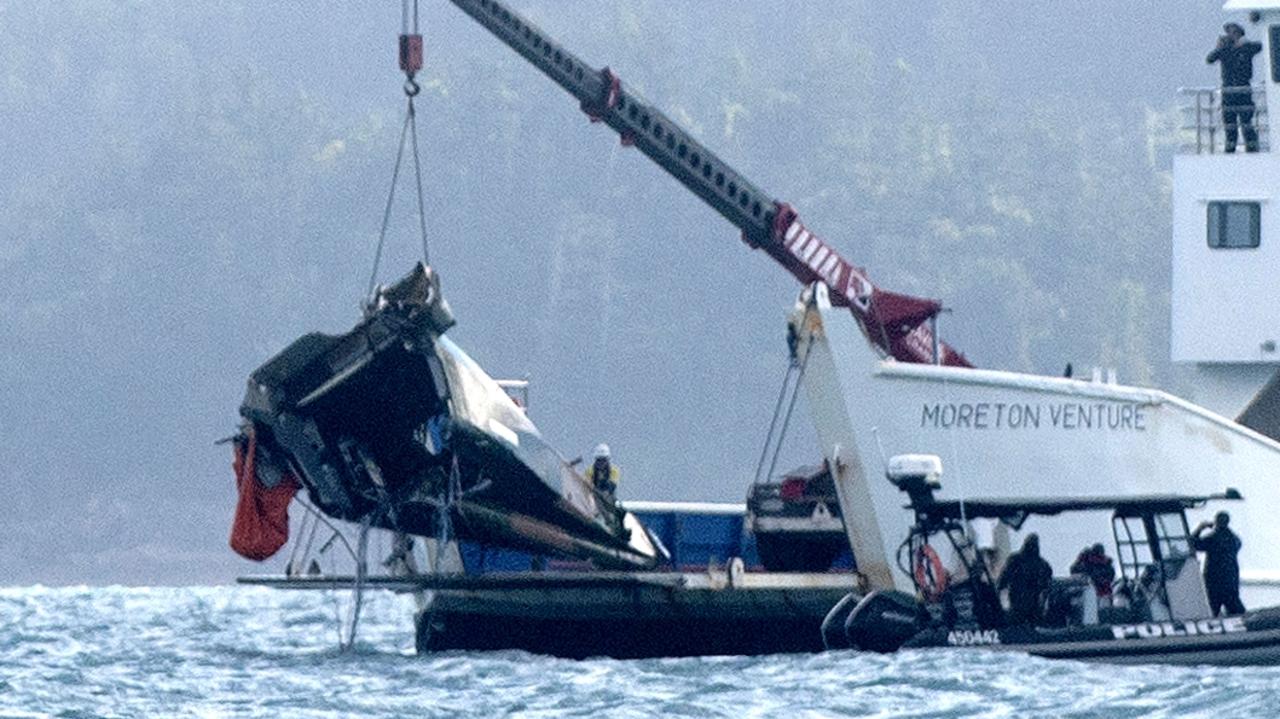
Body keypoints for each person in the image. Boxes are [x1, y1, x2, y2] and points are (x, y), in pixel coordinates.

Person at [1206, 22, 1263, 153]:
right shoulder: (1225, 50)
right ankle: (1230, 148)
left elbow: (1259, 46)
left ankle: (1252, 147)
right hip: (1229, 90)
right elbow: (1210, 59)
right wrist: (1219, 47)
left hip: (1243, 89)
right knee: (1229, 125)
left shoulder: (1246, 48)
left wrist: (1243, 43)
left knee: (1246, 122)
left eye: (1233, 32)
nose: (1230, 35)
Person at [1192, 511, 1245, 616]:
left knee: (1212, 609)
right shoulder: (1235, 539)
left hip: (1214, 579)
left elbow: (1193, 543)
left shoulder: (1212, 538)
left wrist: (1200, 528)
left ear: (1216, 522)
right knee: (1234, 608)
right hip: (1231, 578)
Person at [997, 533, 1053, 625]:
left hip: (1028, 605)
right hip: (1022, 604)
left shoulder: (1016, 560)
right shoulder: (1042, 565)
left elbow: (1003, 580)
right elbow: (1003, 580)